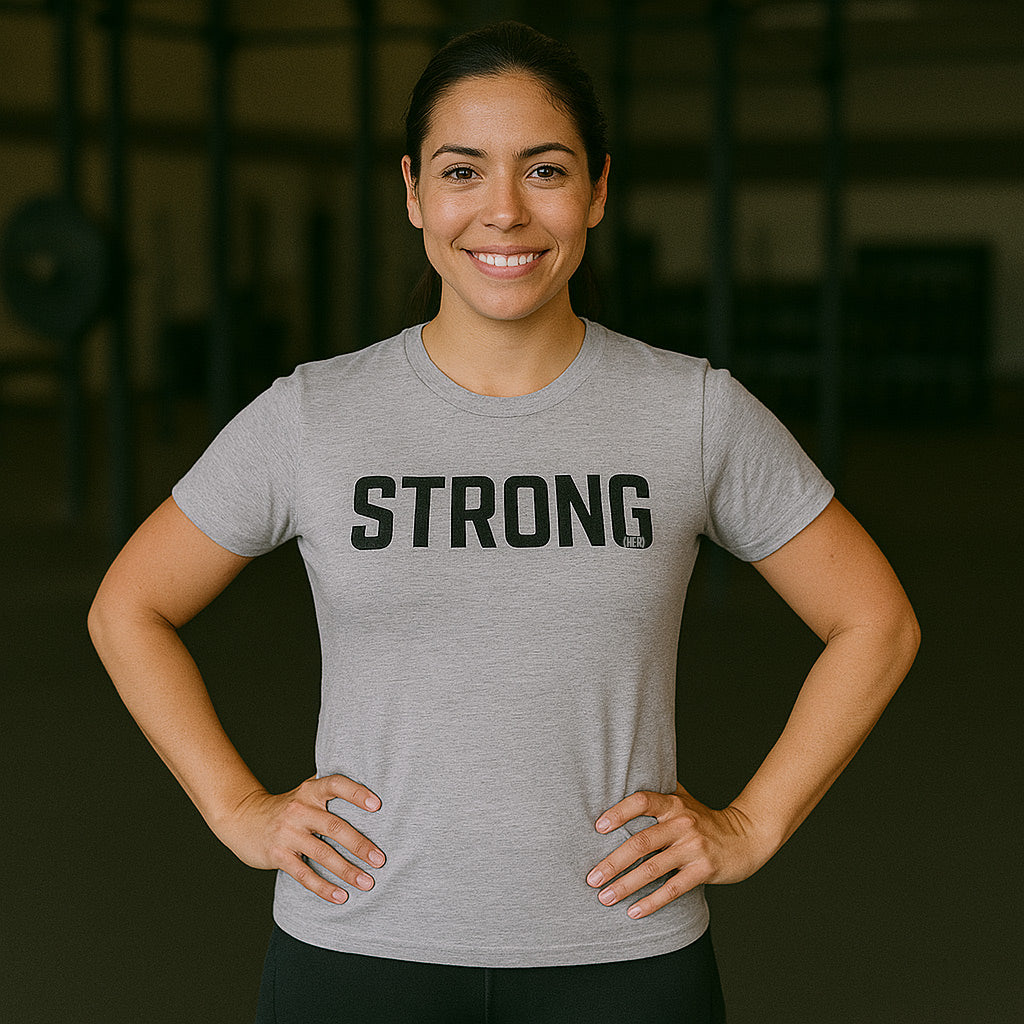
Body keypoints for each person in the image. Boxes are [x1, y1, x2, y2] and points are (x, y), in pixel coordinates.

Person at [88, 21, 920, 1024]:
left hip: (621, 955)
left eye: (545, 169)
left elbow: (874, 619)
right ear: (412, 193)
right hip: (356, 947)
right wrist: (236, 808)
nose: (504, 211)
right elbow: (129, 606)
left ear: (598, 191)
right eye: (462, 170)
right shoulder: (315, 416)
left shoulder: (689, 412)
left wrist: (751, 822)